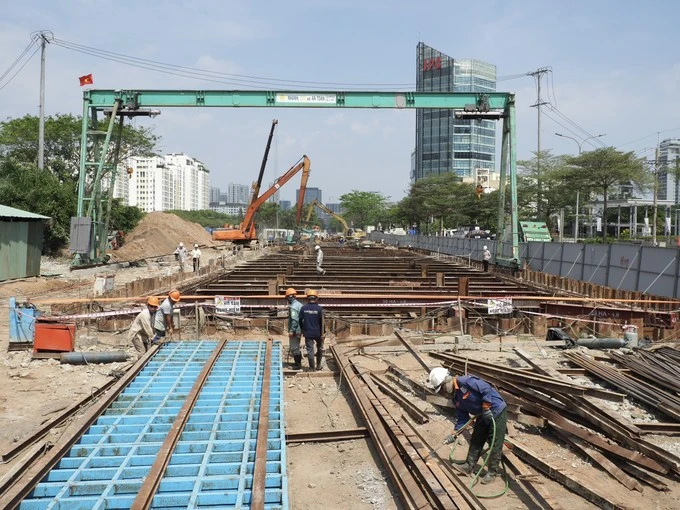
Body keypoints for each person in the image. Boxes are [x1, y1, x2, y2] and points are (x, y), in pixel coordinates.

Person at [429, 367, 507, 485]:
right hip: (481, 413)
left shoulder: (465, 381)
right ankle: (469, 466)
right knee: (476, 438)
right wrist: (455, 433)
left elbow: (485, 388)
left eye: (442, 390)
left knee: (494, 442)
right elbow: (462, 418)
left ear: (447, 381)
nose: (443, 394)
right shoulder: (455, 397)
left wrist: (486, 406)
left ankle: (492, 473)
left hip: (495, 410)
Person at [300, 289, 325, 371]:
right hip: (318, 332)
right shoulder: (320, 309)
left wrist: (302, 330)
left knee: (310, 350)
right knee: (319, 348)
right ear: (316, 298)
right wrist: (323, 333)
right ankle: (318, 365)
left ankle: (312, 368)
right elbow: (322, 322)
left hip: (308, 332)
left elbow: (300, 321)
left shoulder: (303, 308)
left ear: (307, 298)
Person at [286, 287, 303, 370]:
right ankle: (298, 363)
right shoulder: (299, 304)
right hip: (300, 329)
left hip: (296, 330)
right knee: (296, 347)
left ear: (289, 297)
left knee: (294, 347)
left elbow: (294, 320)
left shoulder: (293, 307)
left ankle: (297, 365)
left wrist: (292, 330)